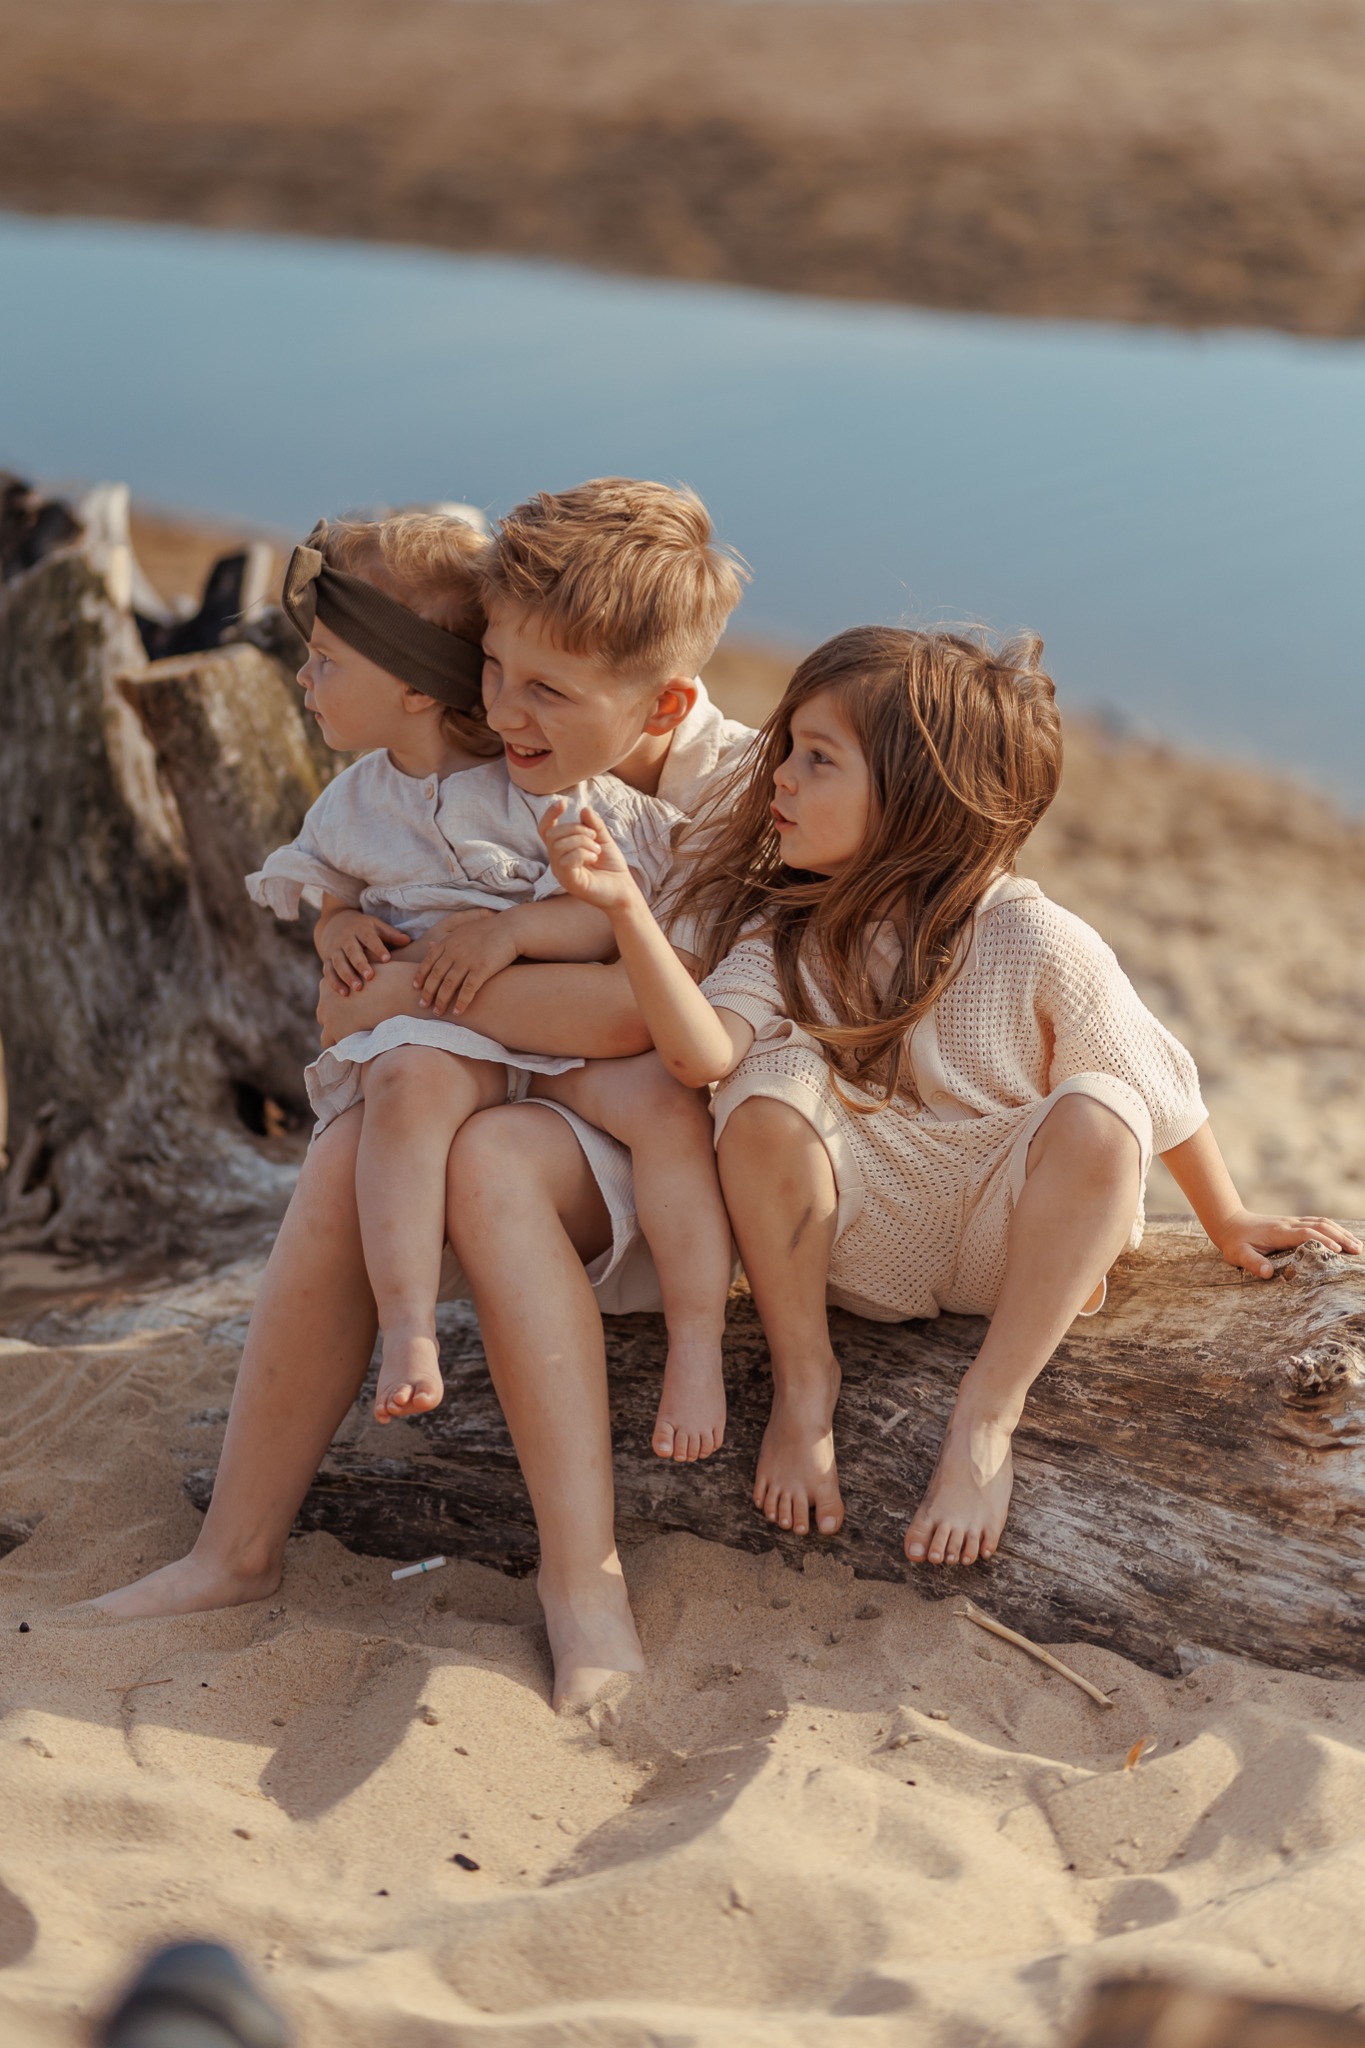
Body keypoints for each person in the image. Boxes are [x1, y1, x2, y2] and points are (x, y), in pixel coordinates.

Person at [96, 479, 753, 1705]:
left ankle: (581, 1573)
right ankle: (233, 1550)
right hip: (523, 1079)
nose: (502, 706)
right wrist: (371, 964)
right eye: (490, 666)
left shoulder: (717, 800)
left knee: (491, 1161)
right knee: (352, 1149)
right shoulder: (509, 745)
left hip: (675, 1132)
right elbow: (375, 934)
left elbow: (649, 1022)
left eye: (542, 689)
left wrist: (401, 987)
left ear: (660, 702)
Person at [539, 623, 1362, 1568]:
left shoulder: (1034, 935)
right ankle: (806, 1383)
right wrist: (625, 912)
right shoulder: (789, 935)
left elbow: (1151, 1080)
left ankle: (987, 1415)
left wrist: (1226, 1217)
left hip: (997, 1233)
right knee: (766, 1092)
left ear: (914, 797)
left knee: (1099, 1109)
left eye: (818, 760)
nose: (781, 779)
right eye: (787, 751)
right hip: (852, 1230)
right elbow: (697, 1056)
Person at [248, 510, 687, 1429]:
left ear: (412, 687)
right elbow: (340, 895)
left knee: (416, 1074)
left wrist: (512, 932)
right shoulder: (356, 799)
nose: (303, 675)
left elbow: (612, 907)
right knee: (403, 1079)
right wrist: (336, 935)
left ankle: (423, 1326)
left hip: (539, 1048)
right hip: (425, 1039)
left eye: (327, 657)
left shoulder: (536, 790)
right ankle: (409, 1320)